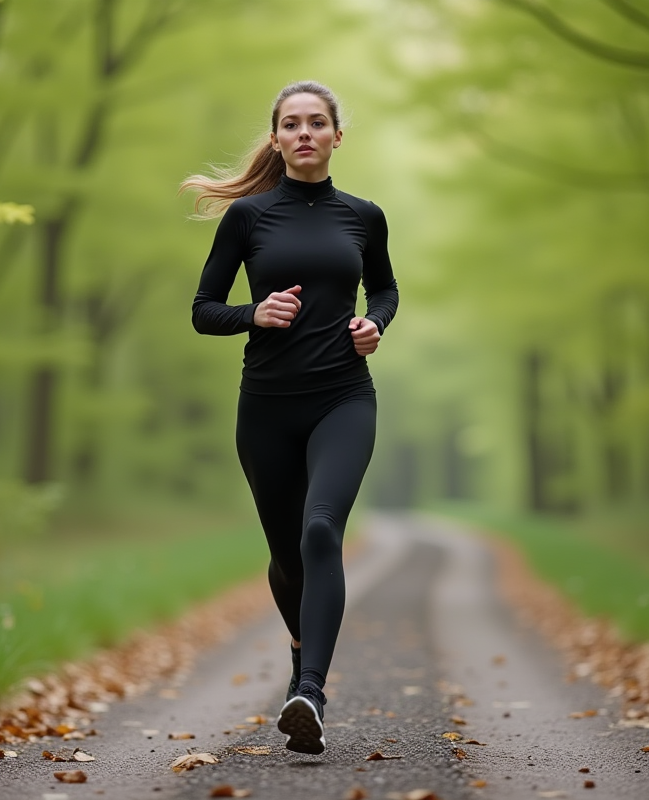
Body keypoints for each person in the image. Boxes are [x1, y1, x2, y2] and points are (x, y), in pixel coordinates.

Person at [182, 80, 399, 755]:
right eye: (292, 124)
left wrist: (374, 323)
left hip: (343, 398)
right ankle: (302, 650)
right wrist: (256, 313)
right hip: (267, 408)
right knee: (286, 554)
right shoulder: (248, 218)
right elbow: (204, 310)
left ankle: (310, 691)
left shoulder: (364, 216)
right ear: (276, 139)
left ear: (337, 136)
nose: (305, 133)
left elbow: (385, 288)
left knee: (320, 530)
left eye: (317, 122)